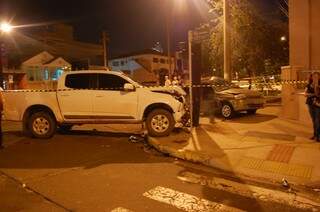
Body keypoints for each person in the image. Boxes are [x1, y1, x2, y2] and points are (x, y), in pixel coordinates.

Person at [306, 73, 320, 142]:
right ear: (311, 77)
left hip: (317, 104)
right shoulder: (309, 85)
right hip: (310, 103)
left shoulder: (319, 85)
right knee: (314, 120)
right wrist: (312, 94)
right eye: (314, 76)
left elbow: (317, 94)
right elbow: (305, 94)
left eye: (317, 76)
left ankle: (318, 136)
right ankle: (315, 135)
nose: (315, 78)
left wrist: (316, 86)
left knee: (317, 120)